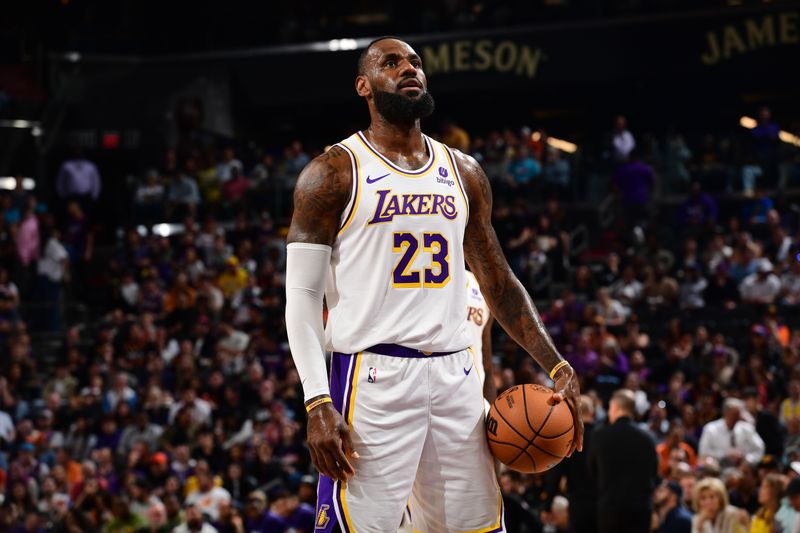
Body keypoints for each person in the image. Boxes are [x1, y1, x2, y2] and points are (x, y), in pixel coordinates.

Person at [285, 36, 583, 533]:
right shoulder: (332, 172)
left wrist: (556, 363)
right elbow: (302, 299)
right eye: (391, 62)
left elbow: (499, 283)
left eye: (416, 62)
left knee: (475, 527)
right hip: (372, 378)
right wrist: (317, 401)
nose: (409, 69)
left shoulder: (463, 172)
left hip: (456, 379)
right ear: (364, 86)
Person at [588, 388, 658, 533]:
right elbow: (654, 473)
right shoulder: (648, 438)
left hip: (610, 507)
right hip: (640, 509)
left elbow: (592, 472)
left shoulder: (599, 436)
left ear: (615, 407)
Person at [698, 398, 765, 466]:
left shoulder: (747, 428)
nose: (737, 417)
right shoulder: (711, 429)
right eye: (734, 414)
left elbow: (759, 448)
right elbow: (703, 453)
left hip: (743, 467)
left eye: (739, 414)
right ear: (726, 413)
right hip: (718, 467)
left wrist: (747, 458)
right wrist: (725, 454)